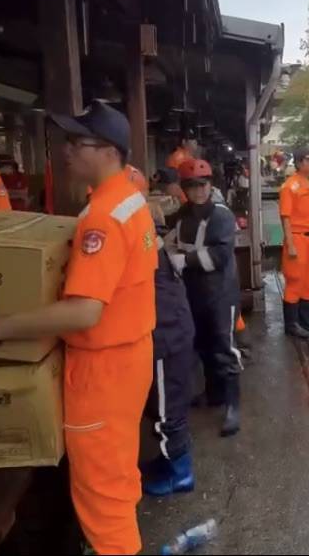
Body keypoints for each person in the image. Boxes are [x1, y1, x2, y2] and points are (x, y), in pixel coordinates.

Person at [0, 100, 156, 555]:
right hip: (129, 359)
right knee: (119, 481)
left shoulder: (102, 217)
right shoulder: (129, 200)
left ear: (106, 150)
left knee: (102, 501)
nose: (64, 151)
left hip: (101, 372)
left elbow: (84, 311)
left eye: (74, 142)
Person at [166, 159, 243, 436]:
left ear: (211, 185)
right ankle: (214, 394)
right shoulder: (184, 213)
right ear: (184, 188)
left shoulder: (221, 215)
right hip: (193, 291)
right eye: (193, 186)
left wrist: (184, 260)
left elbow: (221, 256)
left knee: (224, 347)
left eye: (203, 185)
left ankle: (233, 407)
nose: (199, 190)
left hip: (220, 293)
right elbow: (169, 234)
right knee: (202, 346)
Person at [135, 170, 197, 497]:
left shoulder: (144, 247)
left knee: (165, 407)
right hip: (170, 329)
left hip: (166, 333)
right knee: (165, 402)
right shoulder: (154, 243)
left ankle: (180, 473)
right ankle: (167, 461)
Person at [279, 147, 309, 338]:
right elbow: (286, 217)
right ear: (298, 163)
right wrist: (290, 244)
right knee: (295, 281)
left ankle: (305, 320)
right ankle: (291, 324)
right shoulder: (290, 187)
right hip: (298, 238)